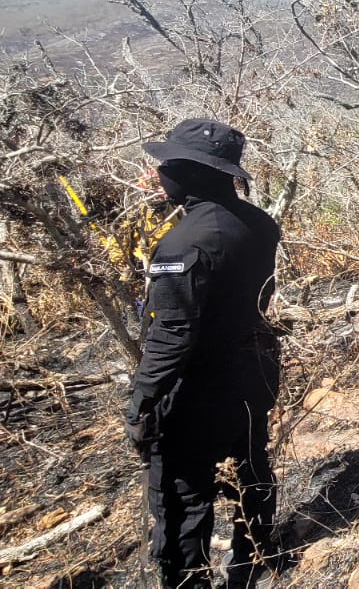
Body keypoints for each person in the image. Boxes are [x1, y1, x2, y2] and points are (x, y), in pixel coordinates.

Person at [124, 118, 283, 588]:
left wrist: (141, 404)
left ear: (193, 172)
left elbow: (172, 335)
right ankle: (251, 565)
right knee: (251, 469)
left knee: (181, 495)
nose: (161, 172)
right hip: (253, 372)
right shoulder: (259, 223)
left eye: (169, 164)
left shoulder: (184, 243)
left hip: (198, 389)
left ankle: (190, 581)